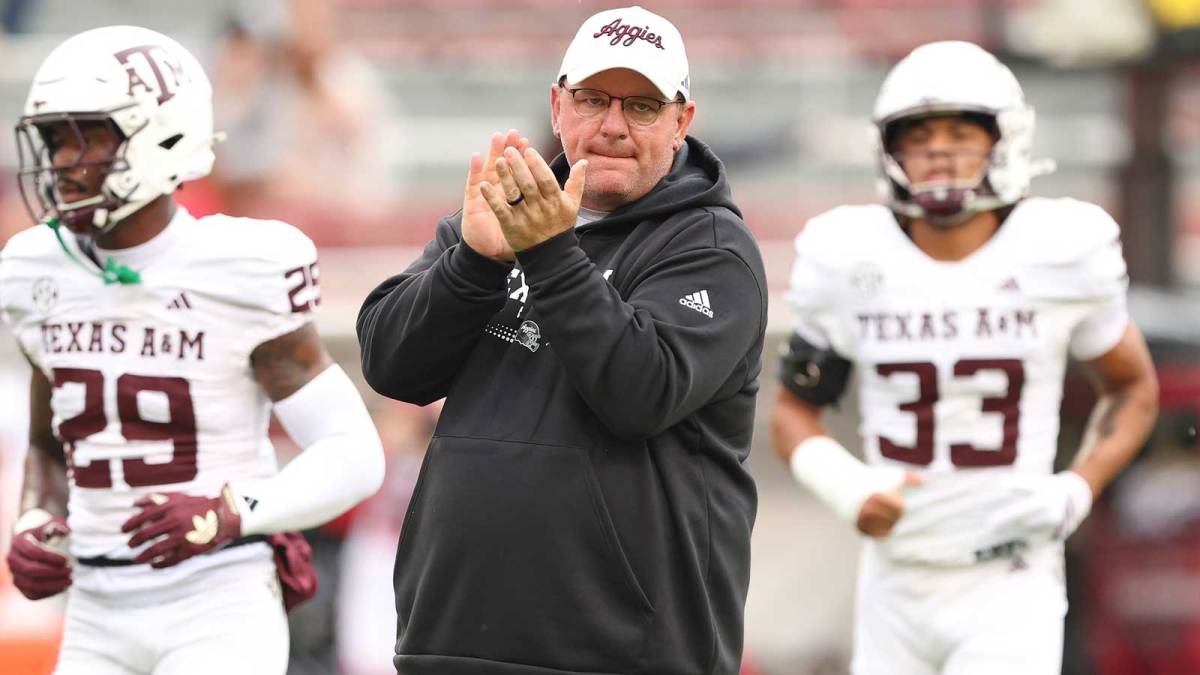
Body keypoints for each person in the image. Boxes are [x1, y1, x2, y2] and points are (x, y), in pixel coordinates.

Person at [356, 6, 766, 675]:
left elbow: (639, 390)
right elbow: (391, 362)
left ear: (681, 120)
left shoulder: (713, 248)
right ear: (557, 104)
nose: (611, 125)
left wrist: (547, 252)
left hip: (622, 653)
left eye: (641, 105)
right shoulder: (496, 214)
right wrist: (473, 264)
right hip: (451, 636)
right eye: (592, 98)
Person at [0, 26, 385, 675]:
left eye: (87, 135)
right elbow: (49, 441)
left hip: (216, 595)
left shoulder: (237, 267)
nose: (63, 160)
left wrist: (233, 511)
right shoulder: (37, 269)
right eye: (55, 138)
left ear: (162, 134)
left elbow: (354, 453)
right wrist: (37, 515)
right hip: (94, 604)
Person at [772, 41, 1159, 675]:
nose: (940, 151)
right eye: (920, 136)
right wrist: (848, 487)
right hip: (894, 578)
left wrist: (1078, 489)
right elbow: (791, 413)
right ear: (891, 151)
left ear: (1003, 142)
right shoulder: (849, 256)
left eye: (960, 132)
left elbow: (1133, 389)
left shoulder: (1059, 248)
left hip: (1009, 575)